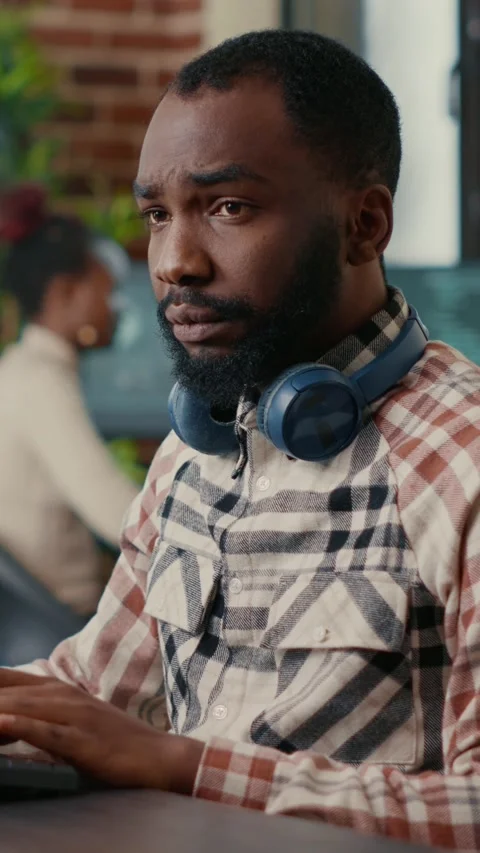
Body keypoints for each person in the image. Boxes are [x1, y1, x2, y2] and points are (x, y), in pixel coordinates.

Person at [0, 29, 479, 850]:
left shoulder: (460, 457)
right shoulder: (203, 446)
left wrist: (183, 765)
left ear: (364, 225)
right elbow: (91, 688)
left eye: (228, 207)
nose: (174, 261)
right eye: (157, 215)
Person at [0, 185, 139, 614]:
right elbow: (116, 512)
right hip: (55, 622)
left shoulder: (22, 368)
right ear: (65, 293)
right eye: (106, 292)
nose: (116, 308)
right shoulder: (40, 383)